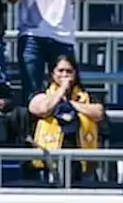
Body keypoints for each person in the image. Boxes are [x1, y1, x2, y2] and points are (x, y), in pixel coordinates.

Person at [27, 54, 105, 186]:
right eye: (60, 71)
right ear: (52, 74)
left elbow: (98, 112)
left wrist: (71, 104)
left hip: (81, 160)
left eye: (69, 71)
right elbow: (43, 109)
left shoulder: (86, 97)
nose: (65, 75)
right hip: (48, 161)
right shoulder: (41, 95)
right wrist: (62, 89)